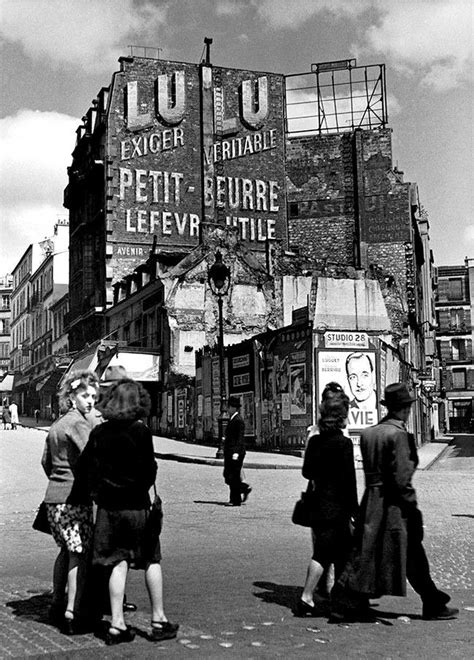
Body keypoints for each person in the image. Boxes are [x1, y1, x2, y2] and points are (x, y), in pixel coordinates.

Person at [331, 383, 458, 622]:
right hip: (394, 506)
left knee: (367, 551)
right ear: (404, 409)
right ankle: (431, 601)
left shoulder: (369, 433)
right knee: (411, 553)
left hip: (371, 501)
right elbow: (401, 479)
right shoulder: (399, 435)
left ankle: (354, 599)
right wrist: (412, 507)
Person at [76, 379, 179, 645]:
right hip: (136, 508)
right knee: (151, 560)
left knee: (117, 563)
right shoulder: (141, 432)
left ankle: (117, 625)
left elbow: (84, 469)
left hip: (109, 510)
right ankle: (158, 620)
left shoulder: (98, 433)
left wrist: (99, 490)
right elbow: (150, 472)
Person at [40, 370, 102, 634]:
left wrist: (58, 479)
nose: (90, 401)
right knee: (79, 555)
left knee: (65, 551)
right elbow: (92, 459)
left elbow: (46, 461)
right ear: (72, 396)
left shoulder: (56, 425)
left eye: (94, 397)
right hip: (74, 500)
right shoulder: (78, 424)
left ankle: (56, 602)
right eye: (85, 395)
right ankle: (72, 611)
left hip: (53, 499)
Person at [295, 382, 358, 617]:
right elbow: (349, 482)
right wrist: (355, 511)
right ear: (342, 416)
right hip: (338, 508)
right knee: (339, 554)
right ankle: (322, 599)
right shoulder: (343, 444)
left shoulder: (315, 440)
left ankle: (313, 598)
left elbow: (306, 472)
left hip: (318, 506)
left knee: (322, 552)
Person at [223, 396, 252, 507]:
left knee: (233, 476)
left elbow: (239, 438)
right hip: (230, 451)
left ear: (233, 408)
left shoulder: (238, 420)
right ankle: (241, 491)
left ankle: (236, 500)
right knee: (229, 475)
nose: (227, 409)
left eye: (229, 407)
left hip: (236, 452)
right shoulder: (233, 419)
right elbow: (233, 436)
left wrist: (236, 452)